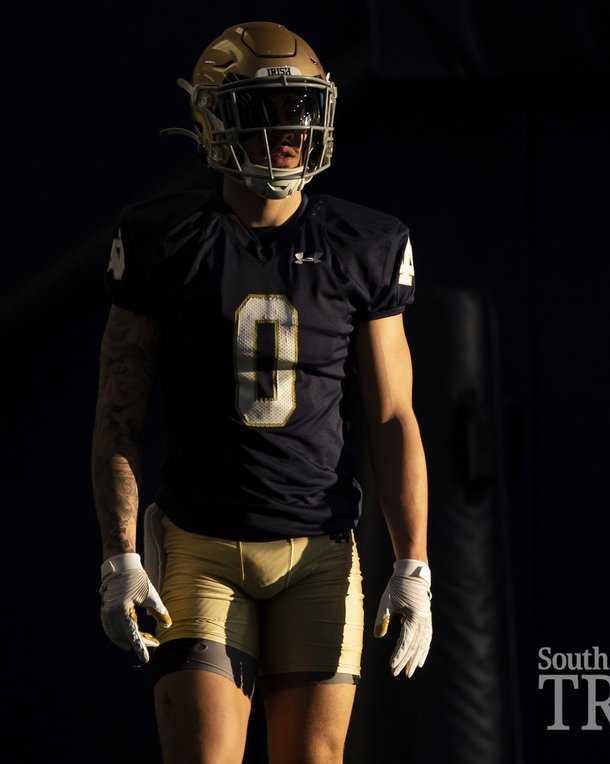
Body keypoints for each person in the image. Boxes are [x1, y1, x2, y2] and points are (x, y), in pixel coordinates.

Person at [92, 21, 432, 764]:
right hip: (200, 548)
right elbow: (118, 416)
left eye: (302, 110)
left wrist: (414, 564)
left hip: (319, 552)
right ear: (214, 118)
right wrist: (120, 557)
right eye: (266, 110)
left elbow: (393, 416)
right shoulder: (166, 239)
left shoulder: (364, 243)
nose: (290, 130)